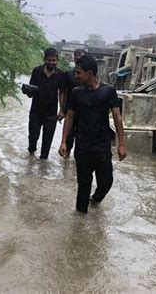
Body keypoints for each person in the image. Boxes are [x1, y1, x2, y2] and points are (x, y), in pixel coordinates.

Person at [58, 55, 127, 213]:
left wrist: (121, 144)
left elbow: (117, 116)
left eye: (78, 73)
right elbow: (70, 116)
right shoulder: (76, 92)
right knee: (84, 183)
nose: (76, 76)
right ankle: (79, 224)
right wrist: (63, 141)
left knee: (106, 181)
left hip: (102, 144)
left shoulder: (108, 91)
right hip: (82, 144)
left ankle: (96, 198)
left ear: (90, 73)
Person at [27, 47, 67, 160]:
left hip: (51, 114)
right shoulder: (37, 71)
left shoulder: (60, 75)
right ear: (44, 59)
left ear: (57, 60)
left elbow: (62, 93)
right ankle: (30, 157)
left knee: (47, 142)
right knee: (32, 138)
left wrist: (61, 110)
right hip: (35, 111)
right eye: (49, 60)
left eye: (53, 60)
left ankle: (42, 167)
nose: (51, 63)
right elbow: (32, 89)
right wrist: (28, 92)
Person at [64, 48, 86, 156]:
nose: (78, 57)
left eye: (80, 55)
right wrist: (62, 109)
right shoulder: (68, 74)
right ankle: (66, 159)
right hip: (71, 109)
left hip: (85, 110)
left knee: (83, 137)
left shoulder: (90, 75)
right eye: (76, 55)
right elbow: (63, 92)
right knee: (69, 136)